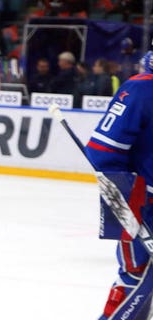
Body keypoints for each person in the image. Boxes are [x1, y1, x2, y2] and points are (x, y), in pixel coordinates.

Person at [84, 50, 153, 320]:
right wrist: (125, 206)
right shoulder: (141, 90)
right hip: (146, 206)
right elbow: (102, 153)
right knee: (138, 276)